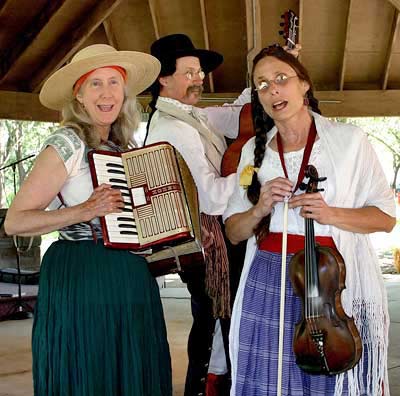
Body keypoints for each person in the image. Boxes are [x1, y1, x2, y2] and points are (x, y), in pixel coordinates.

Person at [224, 44, 396, 396]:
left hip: (328, 281)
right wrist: (259, 210)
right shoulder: (251, 153)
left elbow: (386, 218)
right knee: (267, 375)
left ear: (304, 84)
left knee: (326, 379)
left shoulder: (349, 142)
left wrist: (331, 214)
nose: (272, 90)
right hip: (268, 278)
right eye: (262, 84)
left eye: (281, 79)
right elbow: (233, 231)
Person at [4, 44, 172, 396]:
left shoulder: (124, 146)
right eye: (95, 83)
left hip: (129, 277)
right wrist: (84, 211)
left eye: (113, 82)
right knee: (91, 371)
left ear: (124, 92)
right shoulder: (67, 142)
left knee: (130, 370)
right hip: (83, 274)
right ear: (78, 95)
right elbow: (15, 221)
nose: (106, 92)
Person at [145, 33, 252, 396]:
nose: (199, 78)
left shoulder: (189, 117)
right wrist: (252, 171)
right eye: (190, 72)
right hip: (209, 240)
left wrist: (265, 76)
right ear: (164, 78)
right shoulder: (174, 128)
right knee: (213, 330)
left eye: (200, 73)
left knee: (213, 329)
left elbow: (238, 113)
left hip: (211, 238)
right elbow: (212, 197)